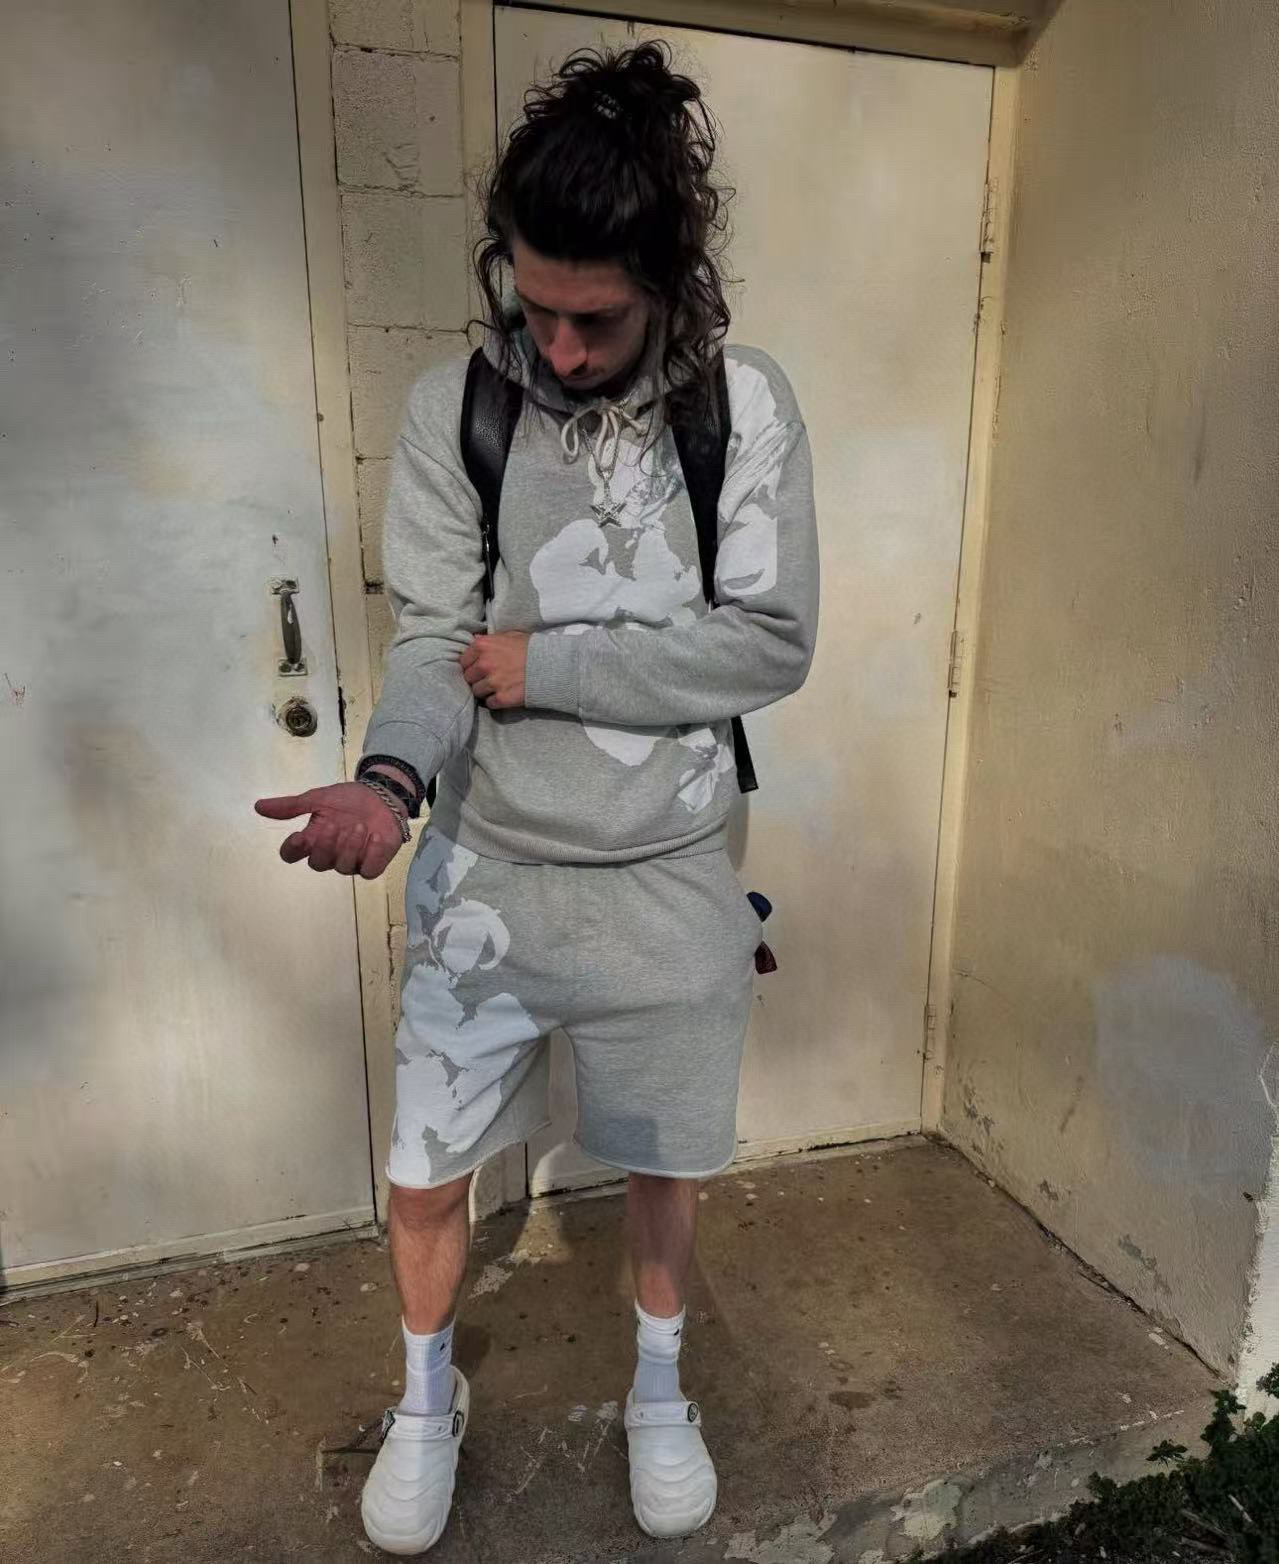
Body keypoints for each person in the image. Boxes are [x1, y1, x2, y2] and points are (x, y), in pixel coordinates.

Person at [256, 40, 818, 1556]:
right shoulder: (458, 408)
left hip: (671, 875)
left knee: (665, 1162)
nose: (559, 349)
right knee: (423, 1169)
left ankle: (659, 1392)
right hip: (489, 874)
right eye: (533, 303)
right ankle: (425, 1398)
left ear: (670, 281)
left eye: (598, 319)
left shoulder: (743, 408)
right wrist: (391, 780)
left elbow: (771, 640)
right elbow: (436, 643)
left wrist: (547, 664)